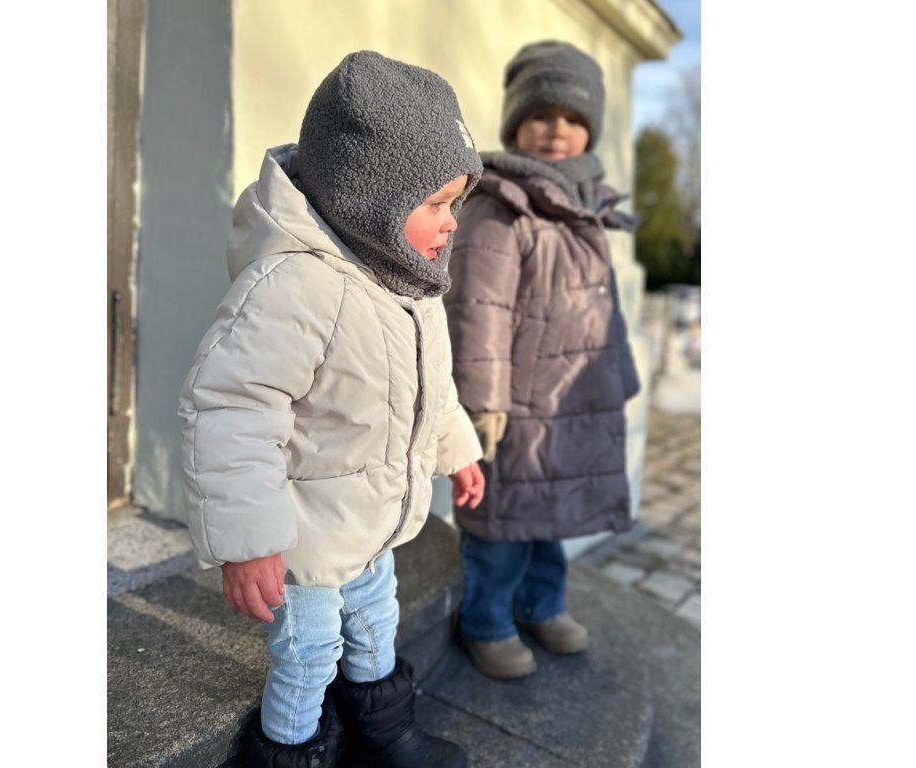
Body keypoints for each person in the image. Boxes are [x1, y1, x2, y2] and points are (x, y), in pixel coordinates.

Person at [179, 50, 485, 768]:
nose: (451, 224)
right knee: (309, 651)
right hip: (304, 537)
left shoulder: (411, 286)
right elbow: (232, 411)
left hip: (369, 524)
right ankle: (291, 753)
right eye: (435, 204)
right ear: (370, 198)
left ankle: (384, 735)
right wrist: (249, 540)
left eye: (455, 204)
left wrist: (460, 449)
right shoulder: (296, 287)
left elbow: (432, 389)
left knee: (376, 625)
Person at [445, 40, 641, 680]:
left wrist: (619, 378)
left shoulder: (585, 203)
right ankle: (487, 621)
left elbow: (601, 304)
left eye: (572, 118)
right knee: (501, 525)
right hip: (517, 405)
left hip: (571, 403)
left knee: (551, 519)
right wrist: (482, 402)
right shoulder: (501, 203)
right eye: (541, 115)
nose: (557, 129)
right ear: (515, 124)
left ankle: (543, 605)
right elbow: (478, 308)